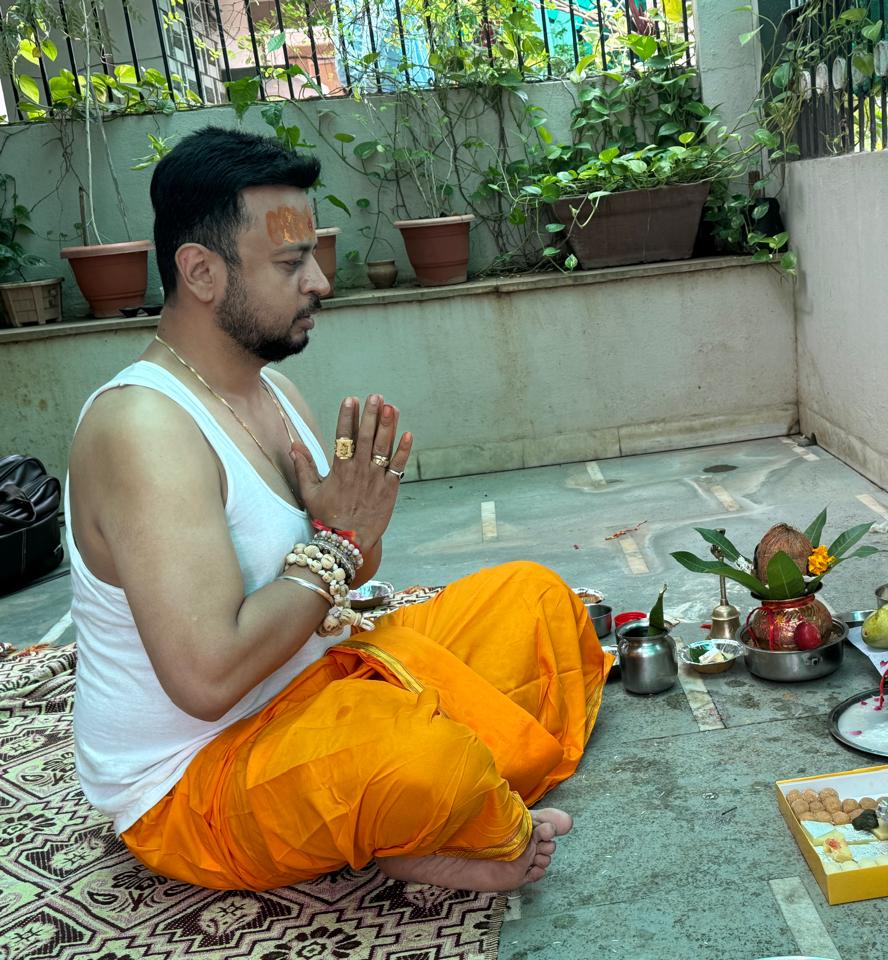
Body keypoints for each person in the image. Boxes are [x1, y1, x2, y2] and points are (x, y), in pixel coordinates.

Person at [65, 126, 609, 892]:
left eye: (313, 257)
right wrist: (337, 542)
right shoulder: (142, 429)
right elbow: (208, 681)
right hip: (203, 772)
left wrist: (353, 532)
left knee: (536, 601)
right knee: (420, 760)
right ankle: (438, 816)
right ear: (202, 272)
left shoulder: (274, 390)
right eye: (291, 263)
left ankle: (409, 814)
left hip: (325, 681)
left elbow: (342, 568)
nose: (320, 281)